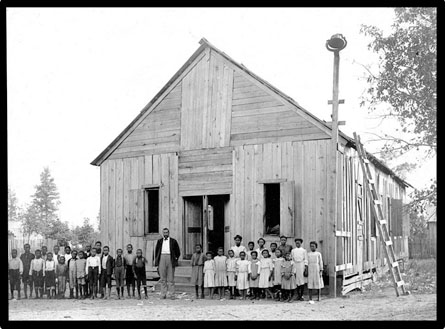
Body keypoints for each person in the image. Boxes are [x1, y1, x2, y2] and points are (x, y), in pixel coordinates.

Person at [154, 228, 181, 300]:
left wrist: (175, 258)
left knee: (171, 278)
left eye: (166, 232)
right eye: (164, 233)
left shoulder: (173, 241)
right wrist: (157, 260)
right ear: (163, 233)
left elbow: (178, 251)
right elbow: (156, 251)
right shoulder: (159, 241)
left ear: (168, 233)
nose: (165, 234)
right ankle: (163, 294)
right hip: (162, 257)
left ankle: (172, 294)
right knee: (163, 277)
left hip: (170, 257)